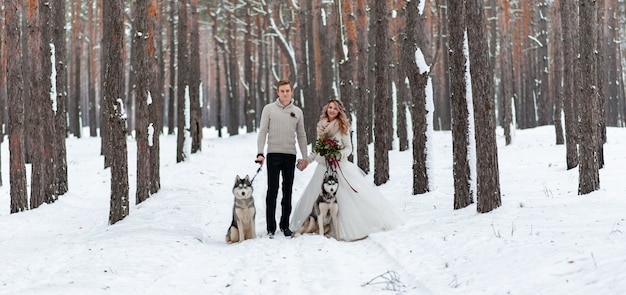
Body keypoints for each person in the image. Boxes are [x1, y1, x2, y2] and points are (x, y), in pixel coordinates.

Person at [290, 99, 404, 241]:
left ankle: (345, 229)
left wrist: (337, 154)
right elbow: (317, 149)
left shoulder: (342, 126)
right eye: (330, 107)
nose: (332, 110)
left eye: (335, 108)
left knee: (344, 199)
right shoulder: (321, 126)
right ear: (326, 109)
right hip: (323, 169)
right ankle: (319, 226)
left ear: (339, 112)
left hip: (339, 167)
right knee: (316, 198)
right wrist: (307, 160)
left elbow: (349, 148)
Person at [256, 80, 308, 237]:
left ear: (292, 92)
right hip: (273, 154)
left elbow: (301, 135)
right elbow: (263, 131)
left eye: (287, 90)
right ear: (277, 92)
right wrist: (260, 153)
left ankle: (285, 224)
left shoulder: (297, 111)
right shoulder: (269, 109)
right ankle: (270, 227)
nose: (285, 93)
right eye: (282, 91)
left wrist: (305, 157)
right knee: (272, 190)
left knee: (287, 190)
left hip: (290, 155)